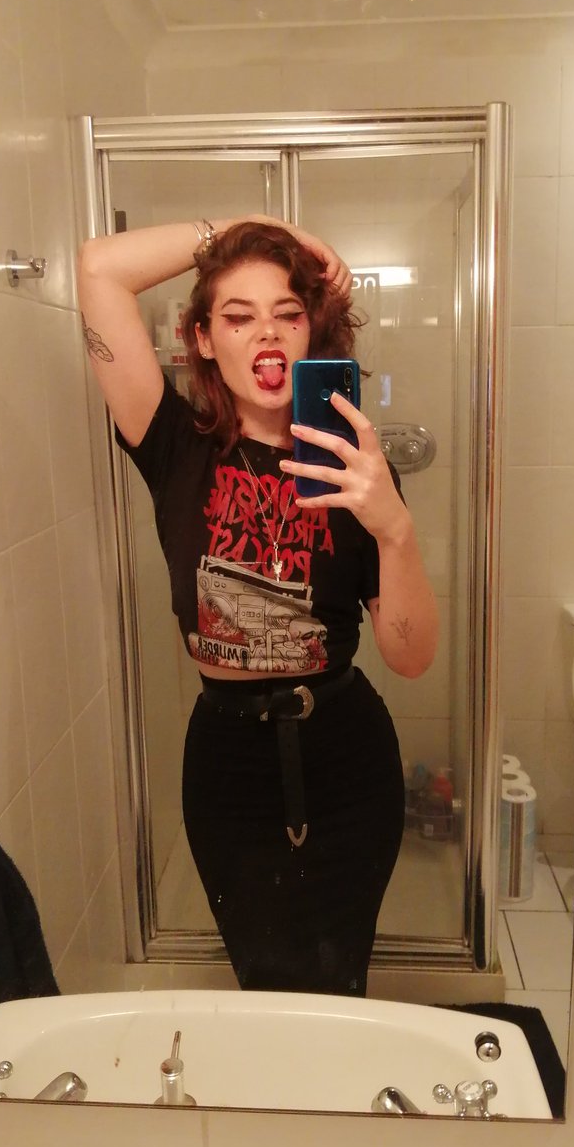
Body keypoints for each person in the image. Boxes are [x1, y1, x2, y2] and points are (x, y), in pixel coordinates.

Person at [77, 216, 438, 997]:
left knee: (342, 980)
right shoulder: (174, 442)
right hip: (227, 762)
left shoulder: (354, 471)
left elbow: (410, 657)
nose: (266, 333)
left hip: (347, 753)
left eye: (288, 313)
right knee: (262, 979)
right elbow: (100, 268)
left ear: (312, 332)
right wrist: (264, 226)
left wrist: (395, 528)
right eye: (238, 317)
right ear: (203, 340)